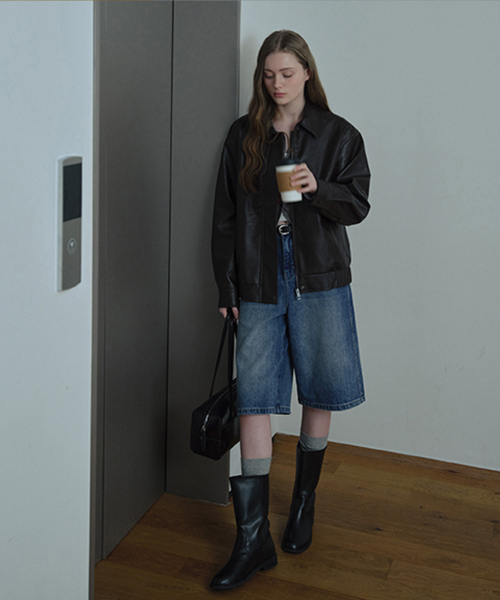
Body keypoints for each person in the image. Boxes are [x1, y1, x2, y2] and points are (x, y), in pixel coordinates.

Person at [210, 30, 370, 590]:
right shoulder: (244, 134)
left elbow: (357, 204)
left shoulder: (338, 134)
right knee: (254, 393)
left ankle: (303, 501)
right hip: (257, 276)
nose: (276, 84)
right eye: (268, 75)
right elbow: (225, 216)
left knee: (321, 385)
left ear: (306, 72)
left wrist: (317, 187)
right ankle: (252, 538)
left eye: (286, 73)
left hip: (317, 274)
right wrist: (227, 288)